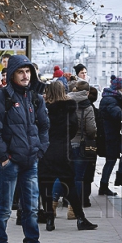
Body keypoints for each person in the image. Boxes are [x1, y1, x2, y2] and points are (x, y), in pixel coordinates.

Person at [0, 55, 56, 243]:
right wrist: (4, 157)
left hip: (31, 161)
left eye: (28, 71)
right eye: (21, 72)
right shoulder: (0, 97)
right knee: (4, 209)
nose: (25, 76)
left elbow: (44, 127)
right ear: (13, 74)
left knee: (32, 208)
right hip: (9, 163)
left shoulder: (35, 97)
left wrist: (40, 150)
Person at [38, 81, 98, 232]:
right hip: (64, 151)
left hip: (46, 151)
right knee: (69, 185)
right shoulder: (69, 108)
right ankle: (80, 218)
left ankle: (50, 219)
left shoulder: (43, 108)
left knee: (45, 186)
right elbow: (73, 128)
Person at [69, 81, 97, 209]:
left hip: (67, 143)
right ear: (87, 92)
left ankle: (53, 203)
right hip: (81, 144)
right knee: (79, 177)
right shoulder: (87, 107)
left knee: (64, 175)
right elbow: (91, 129)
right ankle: (74, 208)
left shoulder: (66, 101)